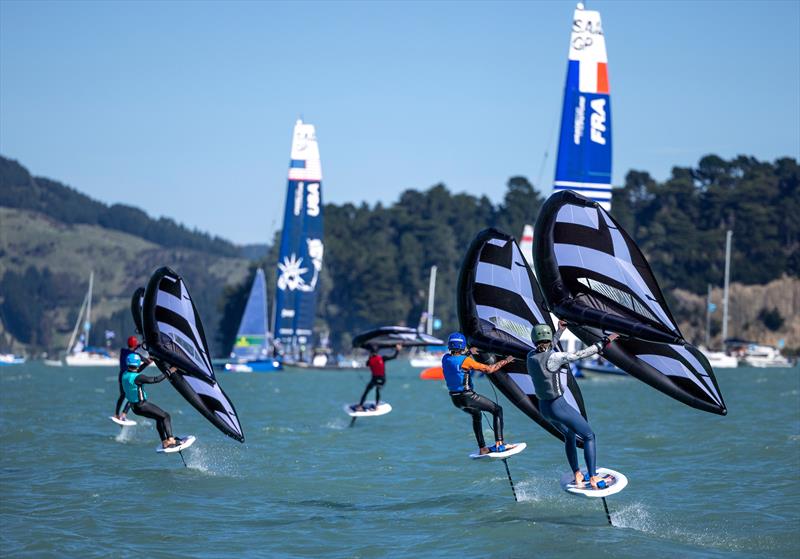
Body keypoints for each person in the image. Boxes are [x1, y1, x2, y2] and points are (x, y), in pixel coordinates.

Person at [527, 320, 619, 489]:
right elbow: (581, 354)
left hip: (543, 408)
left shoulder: (530, 356)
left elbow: (547, 348)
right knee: (589, 436)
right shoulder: (556, 356)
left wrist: (559, 332)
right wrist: (605, 341)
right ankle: (592, 478)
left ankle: (577, 474)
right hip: (557, 406)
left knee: (569, 434)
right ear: (548, 340)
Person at [442, 332, 516, 455]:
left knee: (476, 415)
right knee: (497, 410)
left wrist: (469, 352)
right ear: (463, 346)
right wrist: (506, 360)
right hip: (468, 397)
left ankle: (482, 448)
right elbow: (489, 369)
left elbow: (456, 360)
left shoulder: (445, 358)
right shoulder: (466, 361)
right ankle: (500, 444)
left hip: (456, 400)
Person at [121, 353, 181, 449]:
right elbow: (155, 379)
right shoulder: (138, 378)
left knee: (159, 418)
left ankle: (165, 442)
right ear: (137, 363)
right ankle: (171, 439)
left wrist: (148, 362)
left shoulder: (125, 374)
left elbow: (136, 370)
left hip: (134, 408)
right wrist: (170, 371)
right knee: (166, 416)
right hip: (142, 406)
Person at [113, 336, 152, 421]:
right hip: (131, 377)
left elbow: (134, 347)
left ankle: (116, 414)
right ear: (135, 344)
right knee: (132, 396)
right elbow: (146, 361)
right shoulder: (136, 355)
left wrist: (141, 344)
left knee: (122, 395)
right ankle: (123, 414)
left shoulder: (123, 351)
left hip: (122, 377)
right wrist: (150, 359)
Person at [353, 344, 401, 411]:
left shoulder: (370, 360)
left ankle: (360, 406)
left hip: (375, 379)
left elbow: (367, 364)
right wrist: (398, 350)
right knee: (377, 390)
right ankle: (377, 406)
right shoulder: (382, 358)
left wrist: (370, 357)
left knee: (367, 391)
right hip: (382, 379)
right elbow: (394, 357)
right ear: (377, 352)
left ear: (371, 353)